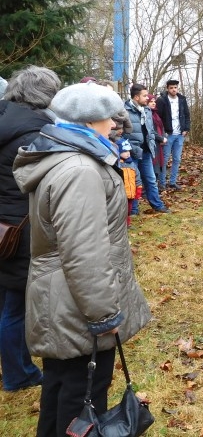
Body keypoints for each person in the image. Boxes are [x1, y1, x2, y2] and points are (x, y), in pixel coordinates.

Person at [13, 82, 152, 437]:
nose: (113, 125)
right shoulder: (80, 170)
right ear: (90, 123)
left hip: (62, 299)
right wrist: (104, 315)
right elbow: (84, 252)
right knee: (82, 397)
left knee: (63, 387)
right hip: (76, 305)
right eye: (108, 118)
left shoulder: (68, 157)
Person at [0, 66, 60, 392]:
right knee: (15, 306)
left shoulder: (6, 118)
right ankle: (18, 373)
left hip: (4, 224)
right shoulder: (32, 131)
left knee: (4, 300)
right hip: (18, 228)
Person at [123, 83, 170, 214]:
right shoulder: (124, 111)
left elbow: (150, 132)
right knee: (133, 181)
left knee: (151, 180)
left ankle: (157, 205)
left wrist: (160, 138)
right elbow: (120, 133)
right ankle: (133, 209)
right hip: (132, 153)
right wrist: (126, 149)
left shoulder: (147, 110)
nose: (147, 98)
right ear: (136, 97)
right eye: (144, 96)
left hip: (147, 152)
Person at [156, 79, 190, 190]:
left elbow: (186, 115)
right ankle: (162, 182)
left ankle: (173, 181)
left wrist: (186, 129)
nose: (173, 89)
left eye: (175, 87)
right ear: (167, 88)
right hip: (167, 134)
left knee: (177, 159)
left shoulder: (182, 99)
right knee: (164, 159)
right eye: (171, 88)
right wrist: (161, 133)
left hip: (180, 134)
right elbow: (158, 118)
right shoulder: (162, 100)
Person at [147, 94, 167, 191]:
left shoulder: (155, 114)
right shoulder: (147, 114)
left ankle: (155, 186)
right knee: (152, 165)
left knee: (158, 165)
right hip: (151, 143)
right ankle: (150, 189)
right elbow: (150, 130)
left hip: (158, 144)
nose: (154, 103)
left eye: (154, 101)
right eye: (151, 101)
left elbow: (160, 127)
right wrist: (160, 138)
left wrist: (163, 137)